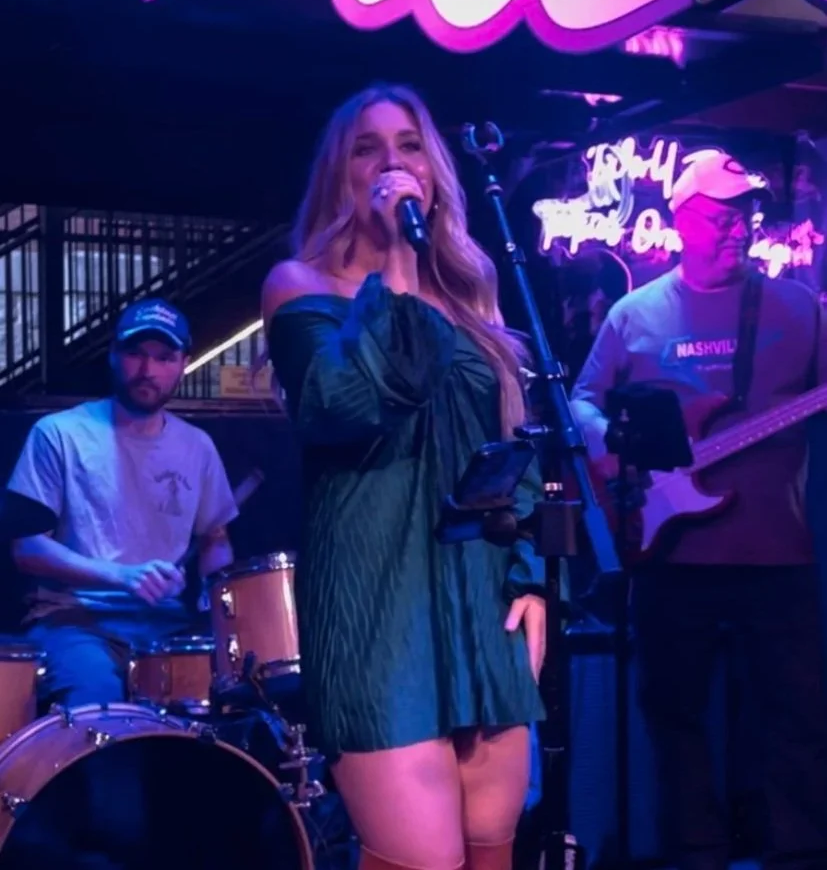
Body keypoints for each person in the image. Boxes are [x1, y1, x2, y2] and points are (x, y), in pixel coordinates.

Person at [262, 83, 546, 870]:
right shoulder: (299, 288)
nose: (392, 162)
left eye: (409, 145)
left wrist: (528, 578)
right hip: (377, 607)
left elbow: (510, 450)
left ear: (433, 170)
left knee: (492, 851)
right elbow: (351, 403)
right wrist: (396, 261)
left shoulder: (470, 299)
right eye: (368, 148)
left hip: (479, 598)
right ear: (341, 174)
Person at [570, 151, 827, 870]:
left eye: (745, 213)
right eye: (721, 215)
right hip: (669, 553)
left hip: (778, 553)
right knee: (673, 717)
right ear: (682, 218)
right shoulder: (633, 314)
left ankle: (800, 856)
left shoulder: (798, 306)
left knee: (797, 719)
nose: (738, 227)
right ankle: (694, 854)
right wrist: (609, 448)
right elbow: (582, 400)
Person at [7, 297, 238, 707]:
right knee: (100, 705)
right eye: (136, 353)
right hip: (72, 620)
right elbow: (27, 548)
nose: (148, 370)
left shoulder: (197, 446)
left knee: (214, 713)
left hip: (166, 627)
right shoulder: (58, 433)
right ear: (113, 354)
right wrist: (123, 576)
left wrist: (211, 594)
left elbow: (215, 539)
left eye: (164, 357)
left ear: (184, 363)